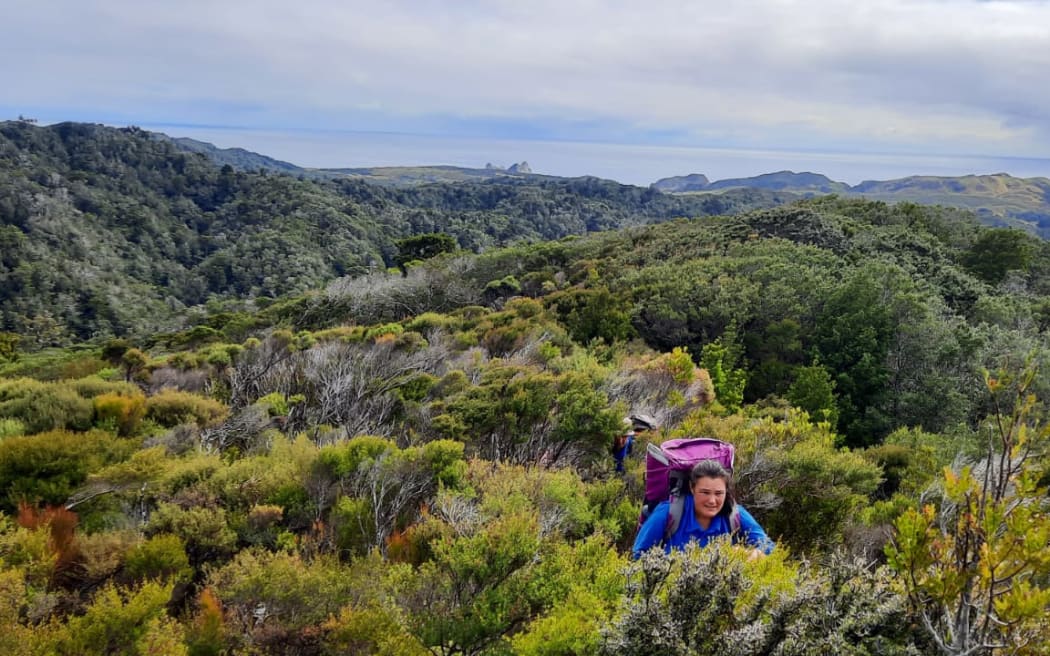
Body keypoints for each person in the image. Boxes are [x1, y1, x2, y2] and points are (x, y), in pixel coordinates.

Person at [632, 459, 773, 559]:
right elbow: (638, 554)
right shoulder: (669, 513)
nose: (712, 501)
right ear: (692, 488)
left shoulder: (735, 514)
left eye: (719, 493)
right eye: (705, 492)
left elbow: (768, 547)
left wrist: (751, 554)